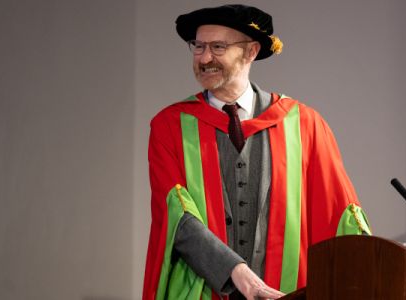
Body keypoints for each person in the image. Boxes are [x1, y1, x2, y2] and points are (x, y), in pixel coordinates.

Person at [142, 4, 372, 300]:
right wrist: (236, 272)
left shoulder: (304, 125)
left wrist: (369, 267)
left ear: (250, 52)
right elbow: (177, 219)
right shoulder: (170, 126)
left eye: (218, 46)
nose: (205, 58)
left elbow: (340, 214)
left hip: (285, 294)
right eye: (198, 46)